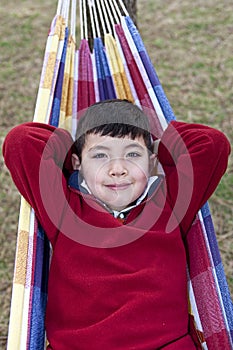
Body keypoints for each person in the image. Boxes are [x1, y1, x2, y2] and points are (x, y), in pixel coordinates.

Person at [2, 99, 230, 349]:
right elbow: (21, 141)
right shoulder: (64, 209)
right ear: (78, 164)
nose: (117, 169)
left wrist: (160, 146)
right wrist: (71, 152)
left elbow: (212, 144)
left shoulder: (171, 203)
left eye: (132, 154)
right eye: (100, 155)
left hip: (164, 344)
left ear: (151, 162)